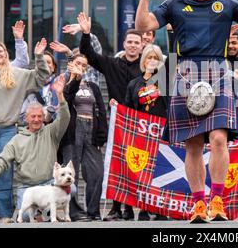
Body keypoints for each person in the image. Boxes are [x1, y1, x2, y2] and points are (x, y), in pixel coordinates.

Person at [135, 0, 238, 223]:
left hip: (218, 71)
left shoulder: (227, 5)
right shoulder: (174, 4)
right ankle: (198, 204)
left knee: (219, 139)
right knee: (193, 144)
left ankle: (217, 201)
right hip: (186, 73)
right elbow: (143, 26)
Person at [0, 39, 50, 224]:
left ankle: (4, 214)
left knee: (5, 173)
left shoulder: (17, 74)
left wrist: (39, 56)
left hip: (9, 128)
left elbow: (41, 77)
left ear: (6, 54)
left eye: (1, 51)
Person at [77, 12, 143, 221]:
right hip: (119, 123)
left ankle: (136, 208)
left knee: (137, 166)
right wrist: (86, 34)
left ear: (142, 45)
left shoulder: (149, 67)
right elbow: (89, 55)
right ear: (124, 43)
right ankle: (116, 207)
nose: (132, 45)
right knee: (117, 165)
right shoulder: (113, 64)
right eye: (129, 42)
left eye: (136, 42)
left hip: (142, 124)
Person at [0, 76, 70, 221]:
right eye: (33, 116)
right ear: (26, 118)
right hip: (27, 188)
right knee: (27, 216)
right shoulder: (16, 139)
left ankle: (46, 213)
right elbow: (2, 161)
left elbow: (65, 118)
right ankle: (46, 214)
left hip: (48, 185)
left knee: (73, 189)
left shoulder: (51, 132)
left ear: (43, 117)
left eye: (40, 116)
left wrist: (60, 95)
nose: (36, 119)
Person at [115, 44, 168, 221]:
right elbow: (128, 109)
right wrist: (117, 109)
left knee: (160, 172)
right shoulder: (134, 83)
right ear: (143, 60)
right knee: (142, 172)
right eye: (149, 57)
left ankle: (160, 210)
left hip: (161, 134)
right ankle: (143, 208)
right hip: (141, 134)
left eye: (156, 58)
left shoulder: (166, 81)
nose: (152, 61)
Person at [61, 54, 107, 222]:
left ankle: (93, 211)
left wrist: (102, 135)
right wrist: (74, 79)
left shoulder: (93, 86)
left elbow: (102, 111)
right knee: (70, 173)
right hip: (73, 131)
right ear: (70, 64)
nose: (81, 66)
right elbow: (65, 98)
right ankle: (74, 212)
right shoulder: (63, 83)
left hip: (91, 130)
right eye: (77, 63)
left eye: (84, 65)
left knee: (97, 173)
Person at [19, 51, 59, 126]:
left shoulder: (60, 84)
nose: (45, 65)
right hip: (33, 128)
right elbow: (22, 114)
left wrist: (69, 53)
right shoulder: (29, 85)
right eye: (42, 63)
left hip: (54, 128)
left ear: (54, 67)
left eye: (48, 62)